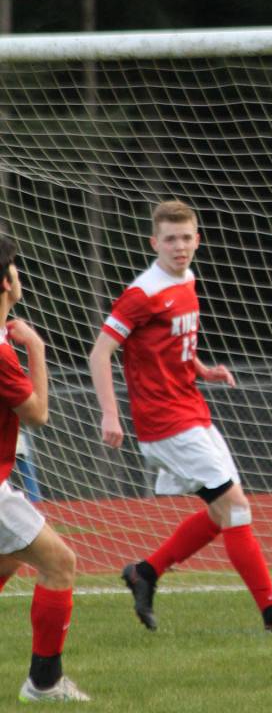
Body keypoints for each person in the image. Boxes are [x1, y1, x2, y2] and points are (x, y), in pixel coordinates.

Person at [89, 199, 272, 634]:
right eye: (169, 239)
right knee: (236, 507)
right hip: (164, 420)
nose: (178, 247)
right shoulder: (143, 293)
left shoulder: (188, 279)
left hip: (191, 407)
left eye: (185, 238)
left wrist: (202, 369)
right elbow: (100, 352)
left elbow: (171, 344)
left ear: (197, 240)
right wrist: (110, 414)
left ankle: (146, 572)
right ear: (154, 242)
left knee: (224, 514)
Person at [0, 235, 89, 703]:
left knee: (13, 556)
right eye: (13, 266)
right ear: (5, 282)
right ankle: (44, 683)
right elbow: (36, 415)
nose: (19, 273)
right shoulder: (1, 354)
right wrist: (35, 347)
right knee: (61, 563)